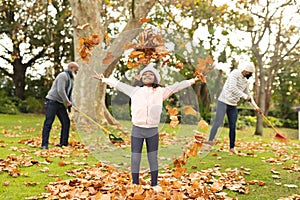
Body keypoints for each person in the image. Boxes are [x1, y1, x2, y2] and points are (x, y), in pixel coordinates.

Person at [94, 63, 204, 187]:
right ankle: (135, 183)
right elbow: (118, 85)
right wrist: (104, 79)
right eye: (145, 74)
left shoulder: (161, 92)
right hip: (137, 129)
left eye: (150, 74)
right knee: (135, 157)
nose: (147, 75)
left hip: (152, 130)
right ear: (141, 78)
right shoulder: (134, 91)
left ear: (155, 78)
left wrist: (193, 80)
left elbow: (177, 86)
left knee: (153, 158)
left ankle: (154, 184)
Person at [205, 62, 255, 154]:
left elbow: (248, 94)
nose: (250, 76)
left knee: (233, 126)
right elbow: (232, 88)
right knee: (218, 122)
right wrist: (244, 96)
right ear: (246, 71)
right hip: (223, 102)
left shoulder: (245, 81)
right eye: (250, 74)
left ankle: (232, 147)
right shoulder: (234, 74)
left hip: (233, 105)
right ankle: (209, 143)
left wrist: (256, 107)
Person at [41, 62, 79, 149]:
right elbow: (60, 90)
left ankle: (63, 143)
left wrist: (74, 105)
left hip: (60, 103)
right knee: (48, 122)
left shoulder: (71, 79)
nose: (76, 72)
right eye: (76, 70)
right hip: (52, 101)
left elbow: (69, 94)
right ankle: (44, 144)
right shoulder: (63, 76)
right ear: (71, 67)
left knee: (66, 122)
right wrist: (67, 101)